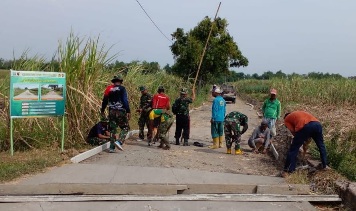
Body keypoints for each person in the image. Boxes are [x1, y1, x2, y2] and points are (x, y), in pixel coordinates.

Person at [282, 111, 328, 177]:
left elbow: (293, 132)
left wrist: (300, 140)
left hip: (306, 127)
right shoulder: (298, 113)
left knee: (294, 148)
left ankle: (288, 170)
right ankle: (324, 165)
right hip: (317, 125)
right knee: (321, 145)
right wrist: (305, 139)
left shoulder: (286, 119)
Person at [100, 75, 131, 153]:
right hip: (120, 111)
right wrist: (128, 111)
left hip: (111, 112)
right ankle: (119, 141)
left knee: (112, 130)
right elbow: (125, 100)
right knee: (125, 127)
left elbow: (105, 101)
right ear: (120, 82)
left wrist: (102, 110)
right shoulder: (122, 89)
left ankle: (111, 148)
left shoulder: (108, 89)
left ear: (113, 81)